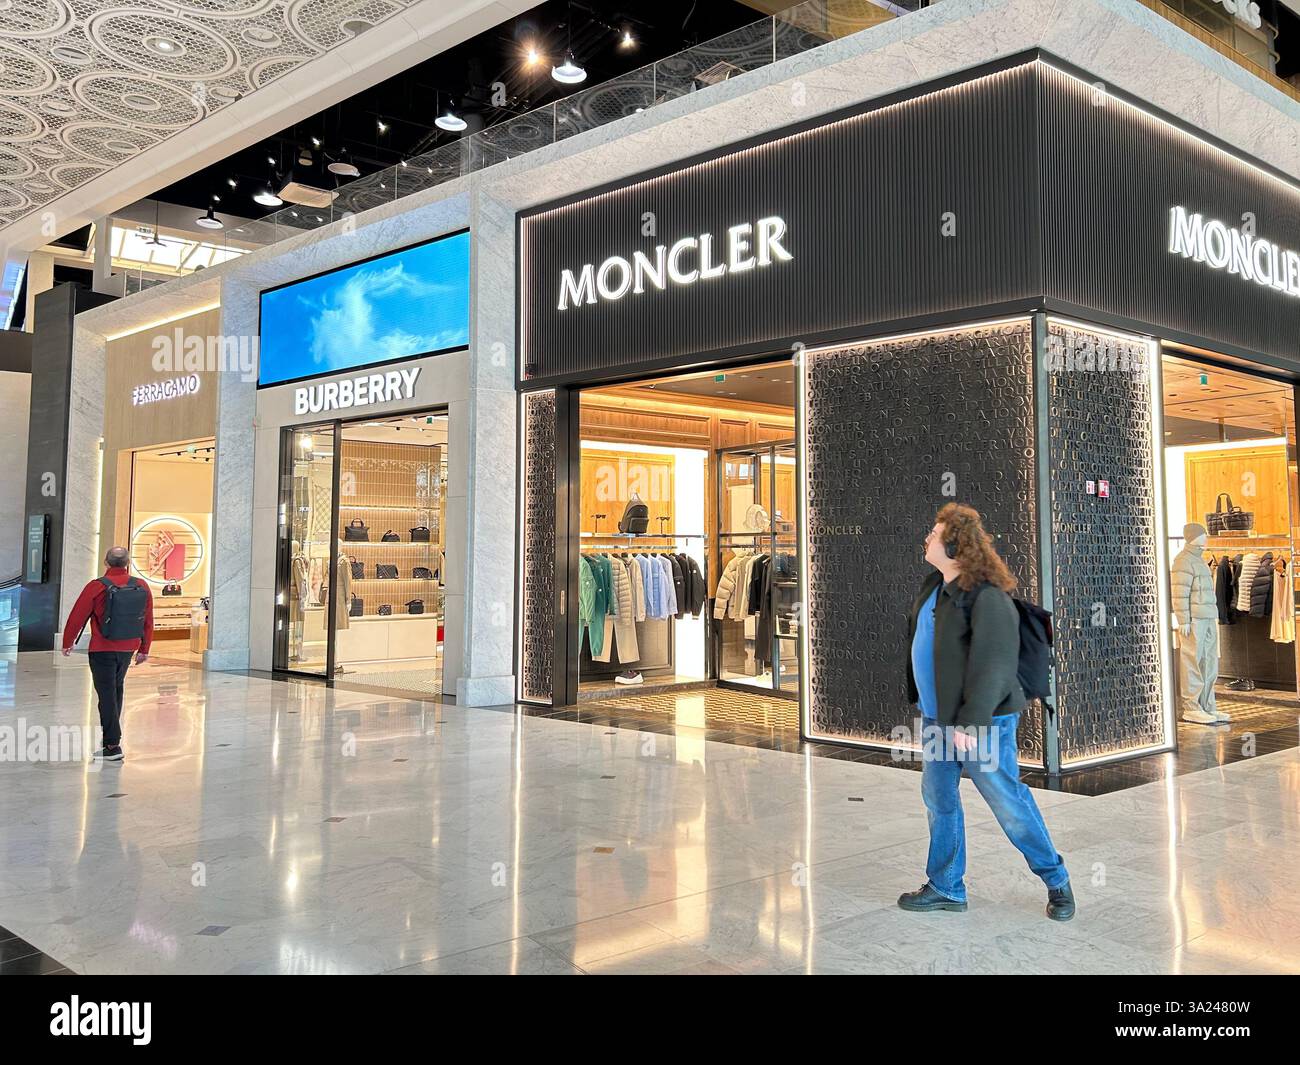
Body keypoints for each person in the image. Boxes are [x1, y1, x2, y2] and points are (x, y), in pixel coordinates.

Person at [899, 503, 1074, 921]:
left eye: (935, 533)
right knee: (939, 799)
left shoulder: (988, 597)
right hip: (939, 718)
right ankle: (946, 886)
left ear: (955, 547)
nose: (927, 538)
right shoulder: (933, 587)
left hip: (982, 723)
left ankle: (1056, 879)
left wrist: (971, 723)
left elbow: (994, 662)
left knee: (1006, 801)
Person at [61, 546, 154, 762]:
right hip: (128, 647)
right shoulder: (141, 585)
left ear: (106, 562)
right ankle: (112, 741)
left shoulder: (97, 586)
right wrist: (144, 649)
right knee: (116, 689)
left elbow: (77, 615)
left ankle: (112, 745)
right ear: (128, 563)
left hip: (102, 648)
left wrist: (68, 642)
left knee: (106, 695)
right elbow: (148, 620)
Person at [1172, 522, 1226, 725]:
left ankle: (1207, 705)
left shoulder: (1200, 560)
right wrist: (1183, 619)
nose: (1205, 538)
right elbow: (1179, 593)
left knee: (1210, 661)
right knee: (1192, 660)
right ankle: (1191, 707)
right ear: (1192, 537)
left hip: (1208, 616)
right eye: (1202, 535)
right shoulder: (1183, 561)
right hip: (1194, 619)